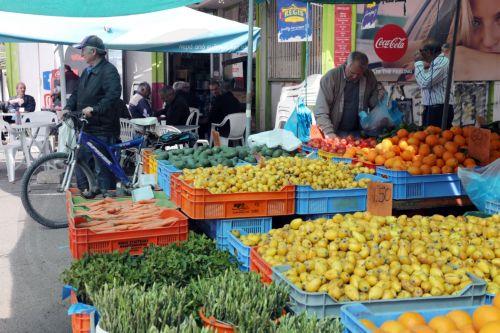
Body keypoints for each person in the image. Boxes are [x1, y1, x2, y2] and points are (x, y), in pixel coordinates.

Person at [63, 35, 122, 196]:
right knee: (81, 163)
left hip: (103, 129)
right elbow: (76, 94)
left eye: (83, 50)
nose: (81, 54)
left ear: (93, 51)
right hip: (86, 128)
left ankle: (106, 205)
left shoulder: (108, 71)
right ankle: (86, 197)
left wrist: (95, 109)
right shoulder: (87, 72)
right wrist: (68, 107)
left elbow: (113, 95)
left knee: (103, 171)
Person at [314, 51, 379, 138]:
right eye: (352, 73)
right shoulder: (331, 78)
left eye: (359, 74)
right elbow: (321, 110)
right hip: (335, 131)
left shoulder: (369, 76)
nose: (355, 77)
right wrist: (329, 133)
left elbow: (375, 104)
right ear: (346, 64)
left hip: (359, 132)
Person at [415, 39, 454, 129]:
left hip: (439, 110)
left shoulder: (442, 62)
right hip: (432, 109)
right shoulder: (435, 63)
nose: (420, 54)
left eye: (421, 51)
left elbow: (424, 82)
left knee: (437, 140)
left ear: (429, 52)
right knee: (429, 139)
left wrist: (418, 63)